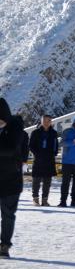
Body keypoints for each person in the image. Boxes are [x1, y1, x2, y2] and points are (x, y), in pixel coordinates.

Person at [0, 98, 24, 258]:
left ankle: (4, 245)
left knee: (8, 215)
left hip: (11, 181)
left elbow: (11, 149)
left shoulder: (15, 129)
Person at [28, 115, 59, 206]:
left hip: (49, 158)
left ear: (51, 122)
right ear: (41, 121)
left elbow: (55, 144)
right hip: (38, 158)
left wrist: (54, 153)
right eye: (45, 120)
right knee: (36, 179)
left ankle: (45, 199)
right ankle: (35, 199)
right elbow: (31, 145)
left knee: (47, 180)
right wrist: (37, 154)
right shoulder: (35, 132)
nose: (46, 122)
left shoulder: (53, 133)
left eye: (48, 121)